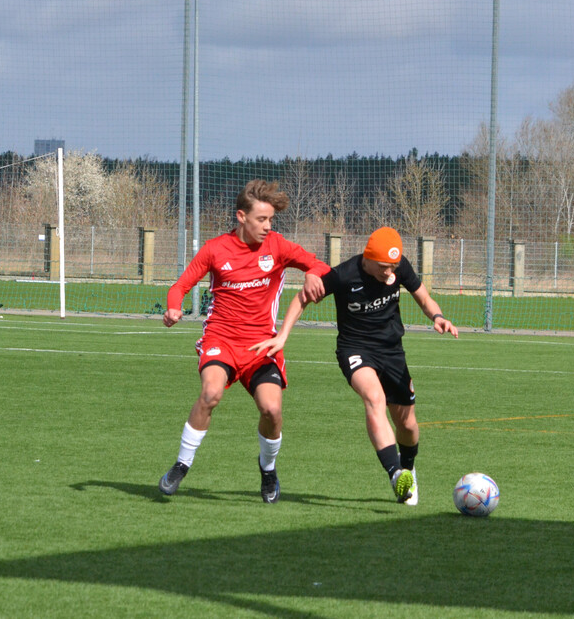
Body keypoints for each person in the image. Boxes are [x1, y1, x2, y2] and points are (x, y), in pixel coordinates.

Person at [250, 226, 457, 505]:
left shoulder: (399, 267)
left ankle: (408, 468)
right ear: (368, 258)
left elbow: (423, 296)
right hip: (354, 350)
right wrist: (282, 335)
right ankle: (395, 473)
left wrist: (438, 316)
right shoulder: (343, 275)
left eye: (393, 266)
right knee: (374, 398)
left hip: (392, 351)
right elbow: (302, 298)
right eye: (384, 267)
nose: (389, 272)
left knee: (407, 424)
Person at [158, 179, 327, 503]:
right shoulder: (215, 250)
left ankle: (268, 469)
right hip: (221, 338)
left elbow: (318, 264)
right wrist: (173, 308)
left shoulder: (277, 246)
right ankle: (181, 464)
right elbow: (179, 286)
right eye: (261, 219)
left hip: (262, 345)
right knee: (210, 393)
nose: (267, 226)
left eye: (270, 220)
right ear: (241, 217)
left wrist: (311, 272)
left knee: (272, 410)